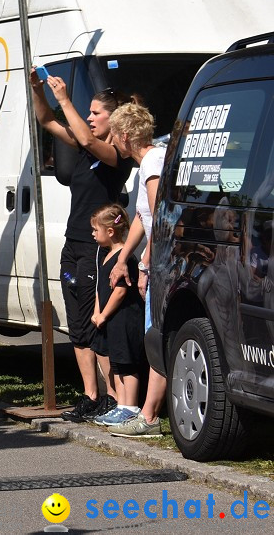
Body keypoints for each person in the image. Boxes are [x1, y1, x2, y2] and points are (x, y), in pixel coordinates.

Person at [32, 71, 134, 423]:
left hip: (97, 247)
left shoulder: (117, 155)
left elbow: (91, 143)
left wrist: (65, 99)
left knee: (96, 323)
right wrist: (37, 90)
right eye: (87, 112)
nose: (89, 119)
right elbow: (46, 120)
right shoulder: (82, 144)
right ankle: (91, 395)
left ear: (114, 119)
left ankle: (113, 397)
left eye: (95, 113)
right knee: (76, 324)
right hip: (74, 242)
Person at [106, 103, 166, 438]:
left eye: (114, 134)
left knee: (156, 336)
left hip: (161, 265)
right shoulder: (145, 166)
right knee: (153, 336)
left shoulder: (153, 163)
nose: (112, 141)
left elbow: (159, 216)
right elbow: (142, 217)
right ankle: (148, 413)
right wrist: (123, 256)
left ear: (126, 135)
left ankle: (150, 416)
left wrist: (144, 265)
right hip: (150, 260)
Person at [88, 204, 146, 427]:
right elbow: (100, 289)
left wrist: (104, 314)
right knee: (118, 364)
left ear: (110, 231)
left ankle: (130, 407)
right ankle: (121, 405)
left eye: (95, 230)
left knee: (127, 364)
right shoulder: (106, 256)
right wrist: (96, 311)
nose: (93, 234)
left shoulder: (125, 257)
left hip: (124, 319)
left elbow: (120, 291)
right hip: (111, 320)